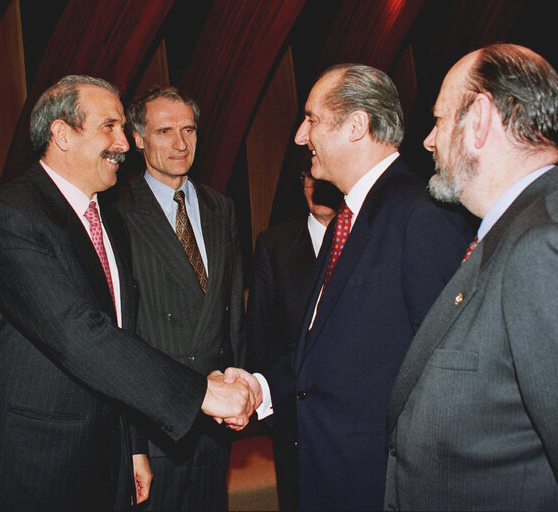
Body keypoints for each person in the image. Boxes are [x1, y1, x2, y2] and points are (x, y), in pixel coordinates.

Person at [384, 43, 558, 510]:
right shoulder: (523, 228)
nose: (429, 141)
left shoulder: (548, 247)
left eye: (438, 120)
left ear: (479, 119)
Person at [0, 75, 256, 512]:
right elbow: (77, 333)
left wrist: (133, 446)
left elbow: (123, 335)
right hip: (37, 466)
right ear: (61, 134)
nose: (123, 143)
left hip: (110, 459)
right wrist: (201, 393)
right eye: (109, 127)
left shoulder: (107, 221)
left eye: (122, 128)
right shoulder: (4, 217)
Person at [227, 63, 473, 510]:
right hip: (327, 471)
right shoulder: (349, 218)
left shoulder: (420, 213)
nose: (301, 136)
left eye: (312, 120)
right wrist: (259, 388)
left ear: (356, 126)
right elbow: (323, 351)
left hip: (380, 483)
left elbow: (448, 373)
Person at [116, 85, 245, 511]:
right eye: (165, 131)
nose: (180, 143)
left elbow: (232, 317)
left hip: (214, 421)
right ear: (137, 139)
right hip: (154, 425)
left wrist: (238, 387)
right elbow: (118, 334)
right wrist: (132, 442)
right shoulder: (116, 212)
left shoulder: (220, 208)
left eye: (188, 130)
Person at [245, 170, 341, 511]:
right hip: (292, 413)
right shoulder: (274, 243)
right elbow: (258, 329)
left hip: (349, 416)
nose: (315, 185)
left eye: (321, 175)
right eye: (307, 177)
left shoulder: (365, 239)